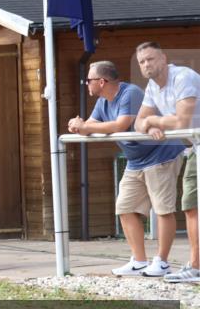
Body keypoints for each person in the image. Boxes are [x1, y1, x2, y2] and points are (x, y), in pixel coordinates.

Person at [67, 60, 185, 277]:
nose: (86, 84)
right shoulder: (103, 101)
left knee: (163, 210)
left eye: (89, 81)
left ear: (101, 82)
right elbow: (90, 124)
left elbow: (119, 125)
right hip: (136, 161)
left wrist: (84, 126)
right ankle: (139, 261)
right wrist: (79, 124)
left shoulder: (129, 93)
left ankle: (162, 262)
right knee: (124, 207)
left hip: (161, 156)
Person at [133, 42, 200, 283]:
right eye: (142, 62)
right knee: (191, 206)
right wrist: (150, 125)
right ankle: (196, 265)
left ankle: (196, 266)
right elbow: (138, 123)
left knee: (192, 205)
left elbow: (182, 121)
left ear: (163, 58)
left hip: (196, 143)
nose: (147, 64)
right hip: (193, 148)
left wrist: (154, 120)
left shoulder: (183, 77)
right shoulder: (152, 86)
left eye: (150, 59)